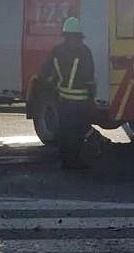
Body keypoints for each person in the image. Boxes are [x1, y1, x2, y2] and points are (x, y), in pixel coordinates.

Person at [38, 16, 96, 169]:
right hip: (80, 101)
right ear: (79, 35)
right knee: (77, 133)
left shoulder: (56, 51)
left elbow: (46, 73)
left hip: (63, 99)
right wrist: (92, 98)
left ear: (65, 34)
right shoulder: (84, 51)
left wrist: (54, 85)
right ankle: (75, 162)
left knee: (64, 131)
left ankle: (65, 161)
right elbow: (88, 77)